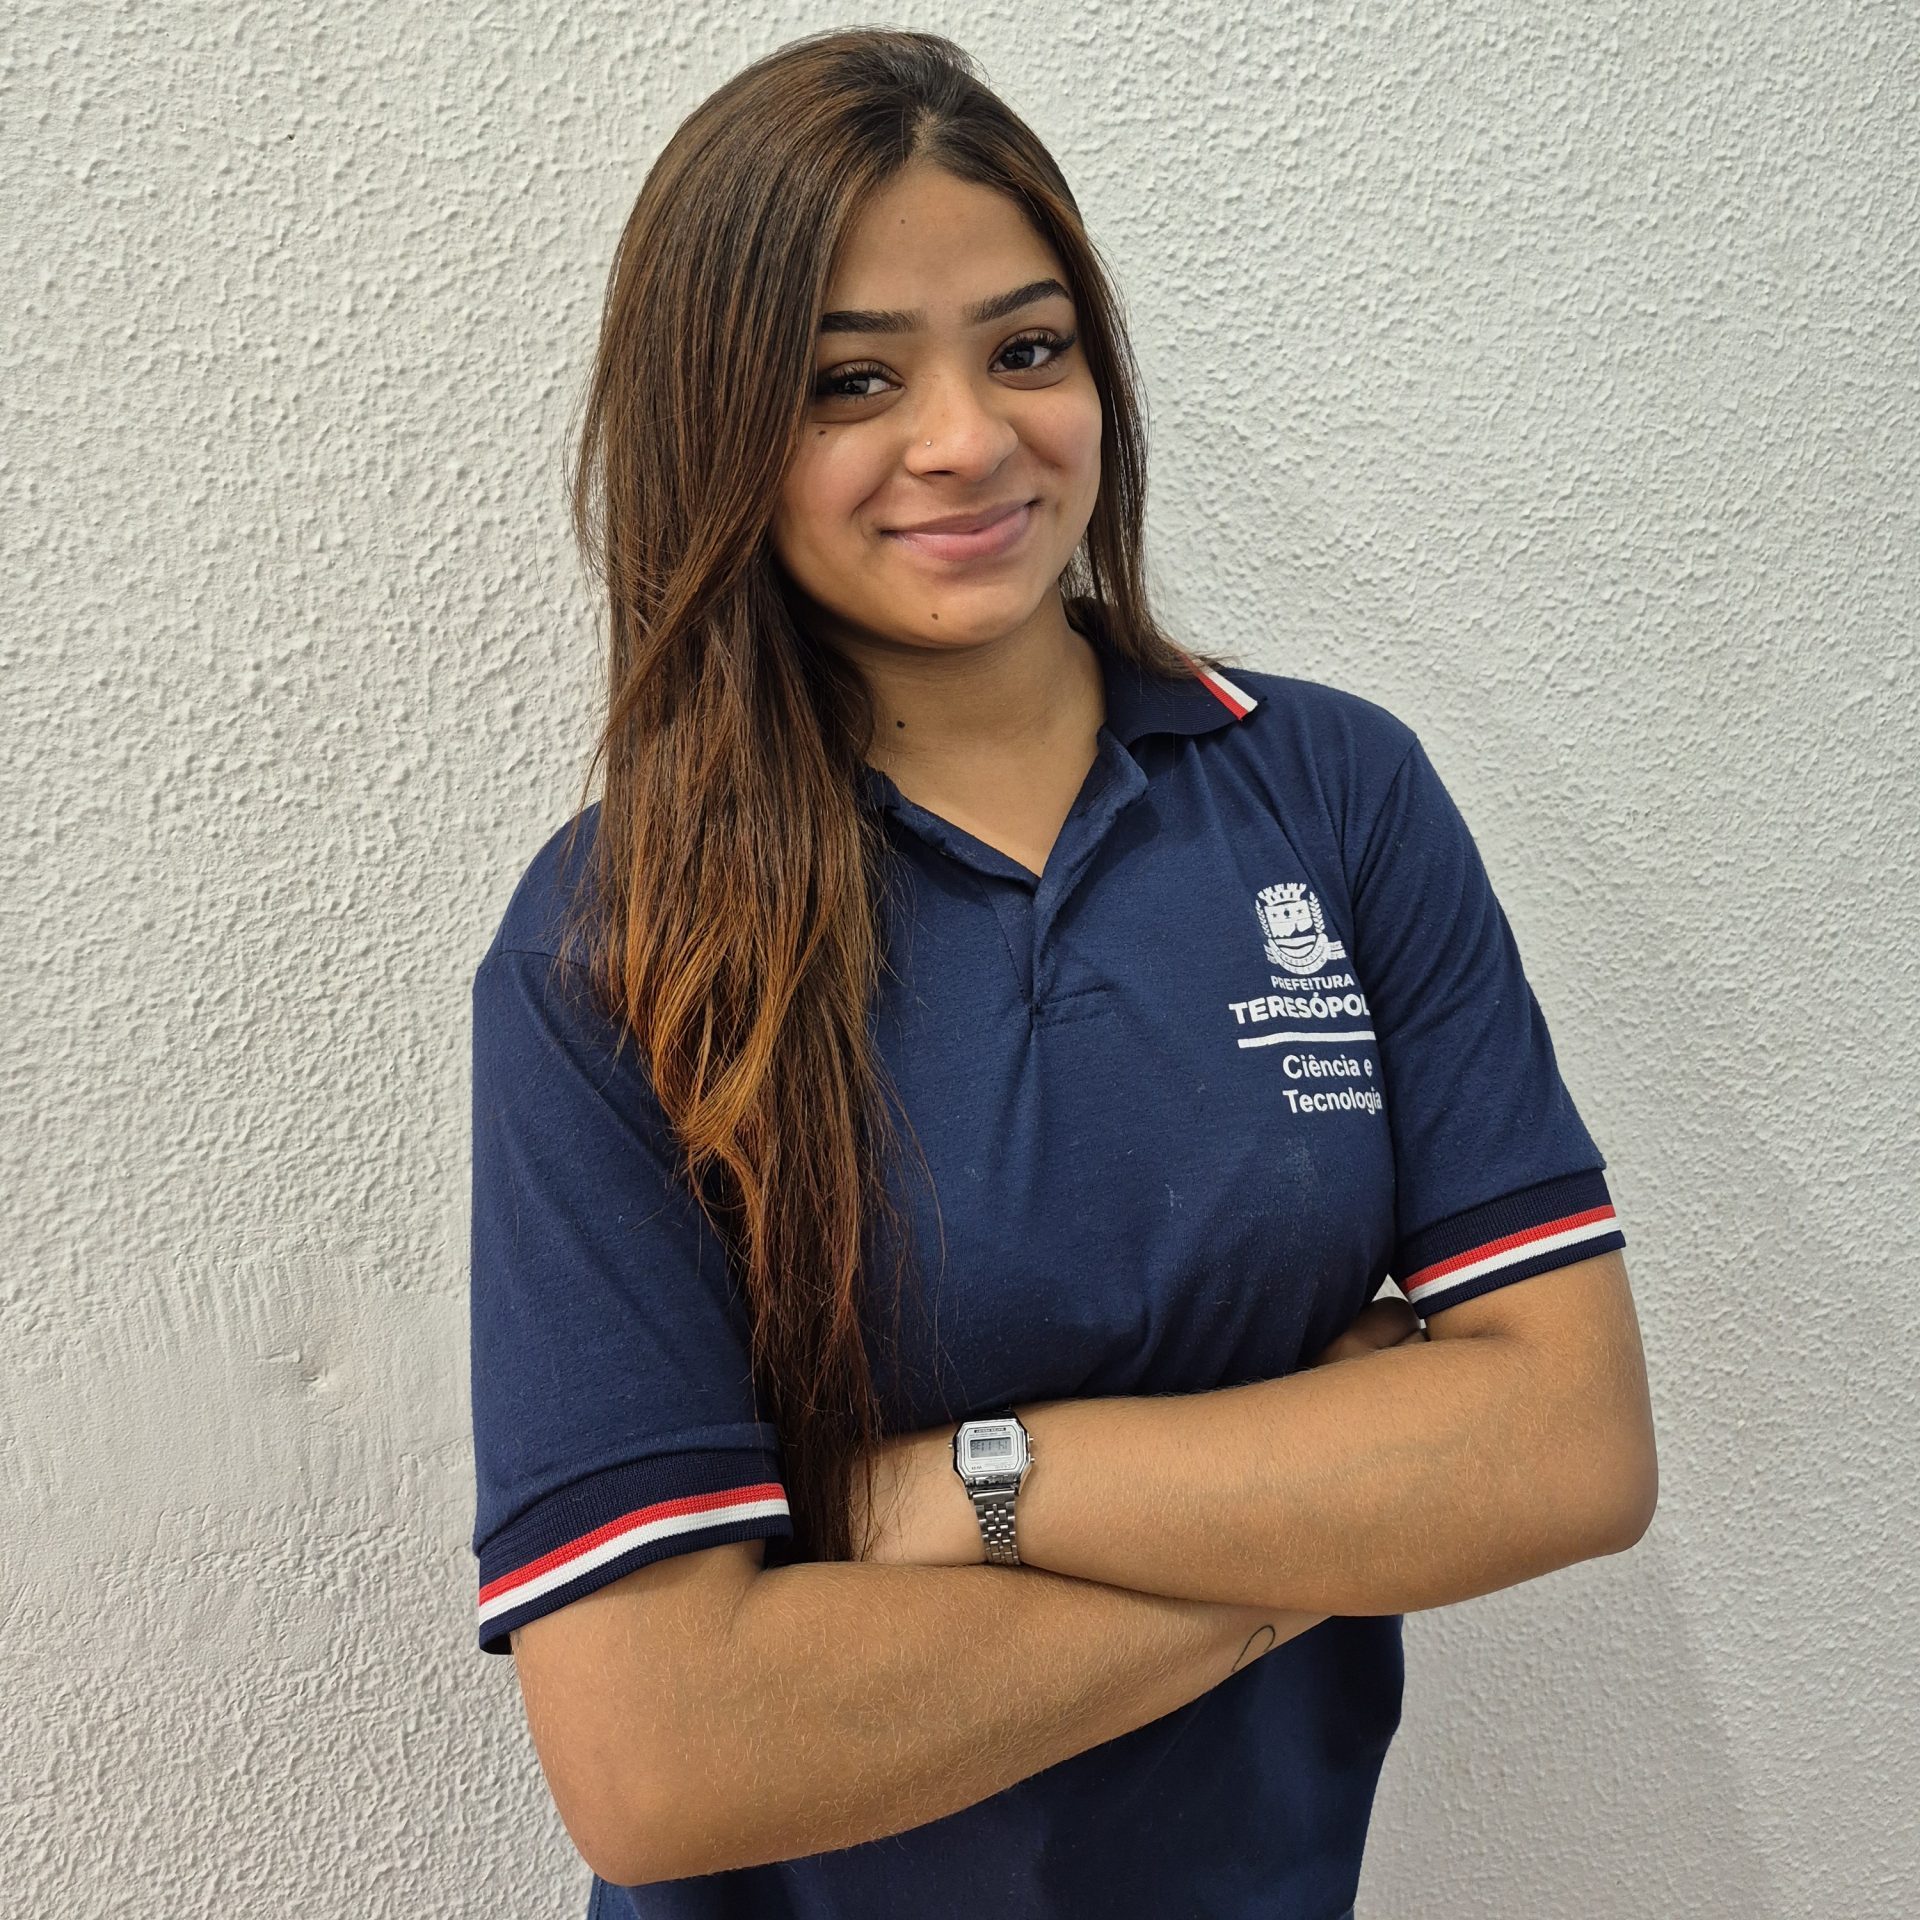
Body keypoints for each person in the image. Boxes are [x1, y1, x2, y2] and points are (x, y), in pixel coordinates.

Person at [466, 28, 1658, 1920]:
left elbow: (1572, 1449)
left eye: (1027, 350)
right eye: (852, 379)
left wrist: (964, 1489)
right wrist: (1320, 1532)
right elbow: (660, 1761)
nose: (967, 438)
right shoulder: (620, 940)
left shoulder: (1330, 793)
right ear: (719, 429)